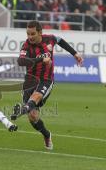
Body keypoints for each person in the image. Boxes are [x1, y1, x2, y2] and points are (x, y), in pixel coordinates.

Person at [11, 20, 83, 150]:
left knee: (37, 96)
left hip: (46, 80)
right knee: (33, 116)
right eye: (28, 34)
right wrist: (40, 59)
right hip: (30, 81)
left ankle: (22, 109)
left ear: (40, 33)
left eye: (33, 34)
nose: (30, 37)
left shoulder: (50, 39)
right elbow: (21, 61)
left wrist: (75, 54)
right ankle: (46, 134)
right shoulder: (26, 46)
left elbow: (61, 41)